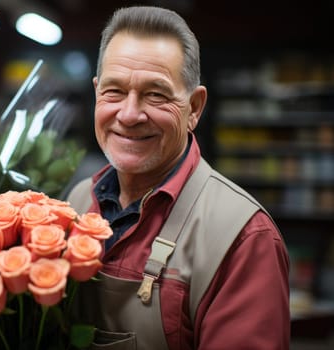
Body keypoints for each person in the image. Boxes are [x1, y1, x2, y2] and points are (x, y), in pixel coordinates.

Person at [67, 6, 290, 350]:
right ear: (97, 92)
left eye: (155, 94)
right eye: (113, 91)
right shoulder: (76, 202)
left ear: (195, 108)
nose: (128, 114)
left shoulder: (243, 238)